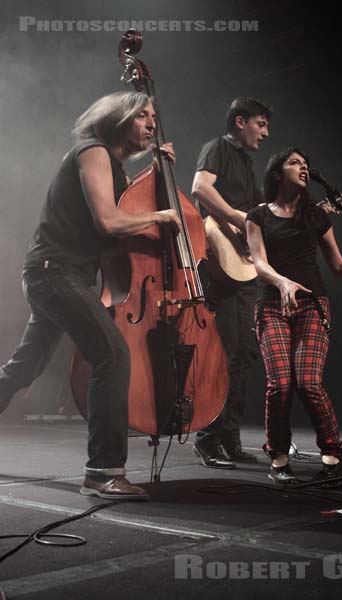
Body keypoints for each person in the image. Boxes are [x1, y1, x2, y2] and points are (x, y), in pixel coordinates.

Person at [0, 91, 180, 499]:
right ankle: (102, 472)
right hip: (55, 271)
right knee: (113, 354)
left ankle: (103, 470)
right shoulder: (92, 149)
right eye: (143, 116)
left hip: (65, 275)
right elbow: (110, 220)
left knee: (24, 367)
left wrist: (156, 172)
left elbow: (119, 208)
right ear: (118, 117)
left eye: (155, 115)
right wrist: (161, 216)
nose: (152, 123)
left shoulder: (111, 166)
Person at [245, 147, 342, 485]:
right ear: (276, 173)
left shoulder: (315, 215)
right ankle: (279, 456)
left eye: (306, 164)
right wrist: (283, 282)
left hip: (313, 306)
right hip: (272, 303)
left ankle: (332, 451)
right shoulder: (257, 215)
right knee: (280, 385)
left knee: (309, 381)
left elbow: (339, 265)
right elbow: (258, 263)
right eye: (295, 162)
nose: (304, 168)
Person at [191, 97, 271, 468]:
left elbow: (258, 214)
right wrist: (239, 222)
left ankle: (230, 437)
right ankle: (207, 437)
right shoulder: (218, 148)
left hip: (244, 269)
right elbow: (201, 189)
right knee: (223, 352)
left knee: (245, 354)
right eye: (260, 124)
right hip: (220, 262)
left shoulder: (248, 164)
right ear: (240, 121)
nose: (265, 132)